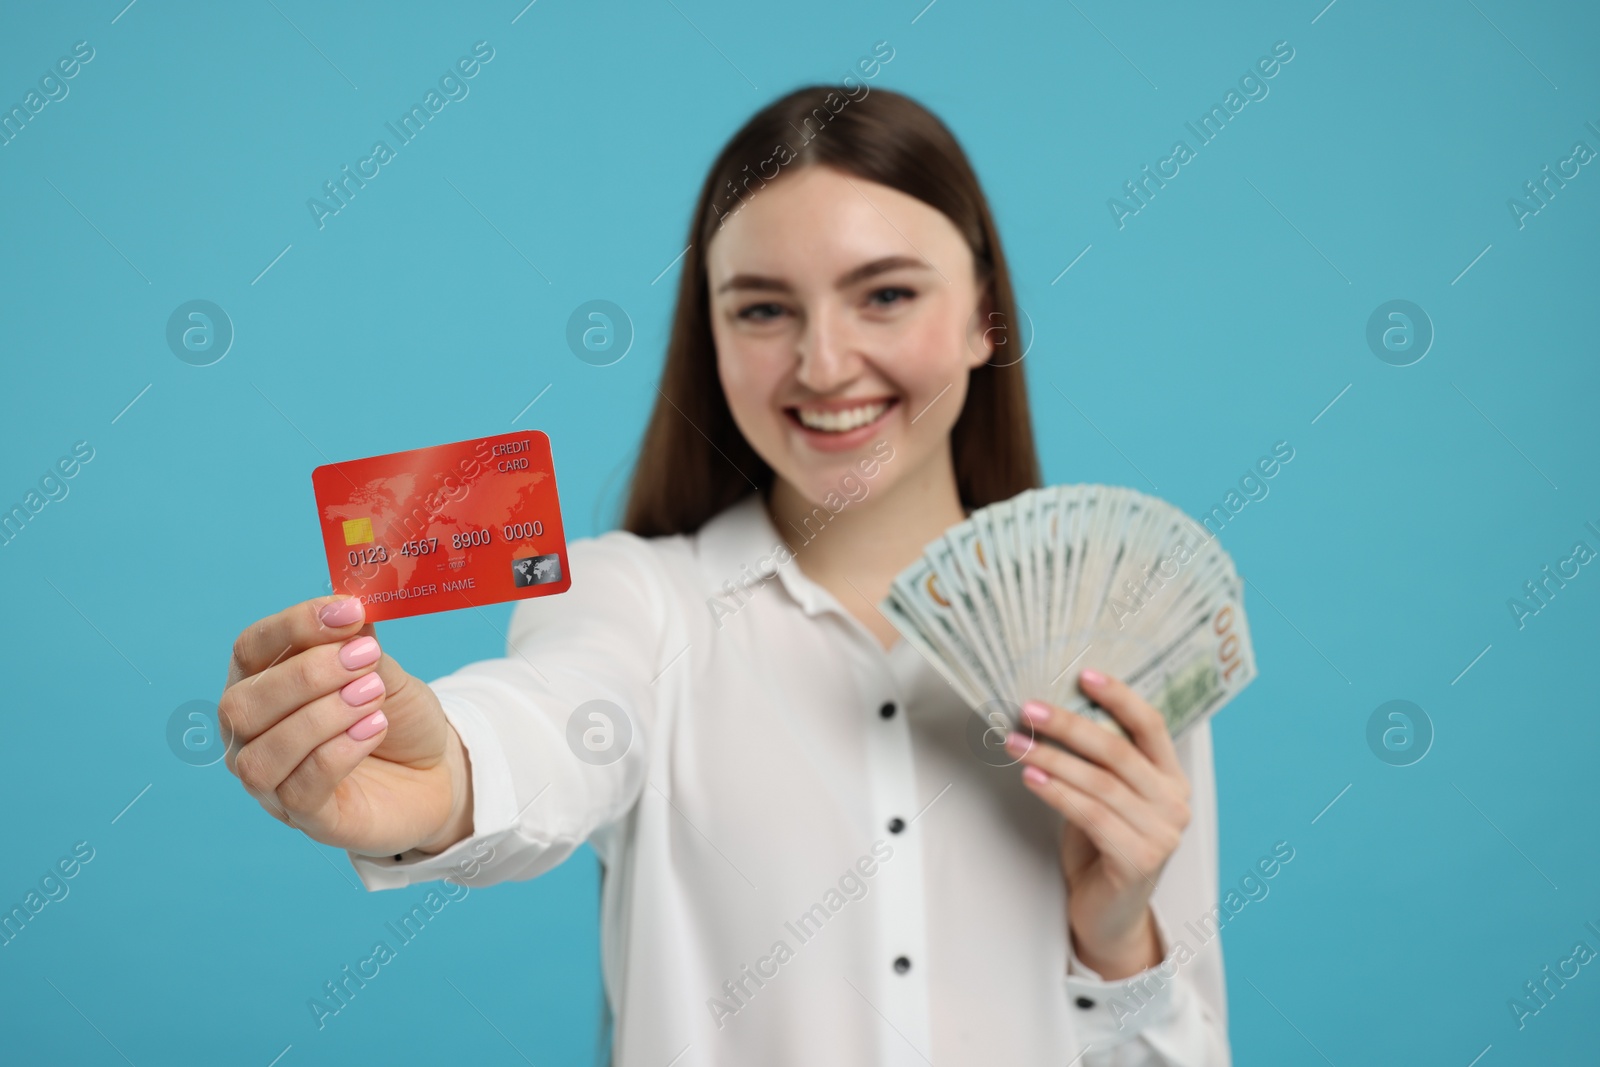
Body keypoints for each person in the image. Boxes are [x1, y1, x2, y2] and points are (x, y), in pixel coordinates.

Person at [220, 85, 1229, 1065]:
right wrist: (452, 774)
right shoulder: (638, 603)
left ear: (986, 317)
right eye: (761, 310)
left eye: (885, 294)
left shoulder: (1121, 644)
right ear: (710, 336)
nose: (824, 364)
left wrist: (1116, 938)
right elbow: (561, 714)